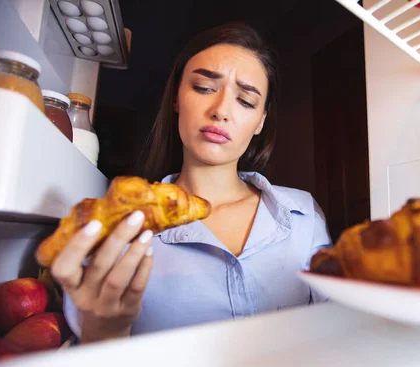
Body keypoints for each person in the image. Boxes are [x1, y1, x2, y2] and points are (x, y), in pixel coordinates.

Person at [50, 22, 332, 344]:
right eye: (203, 88)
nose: (221, 111)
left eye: (246, 101)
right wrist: (104, 333)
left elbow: (342, 332)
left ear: (260, 122)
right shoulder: (119, 229)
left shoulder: (303, 215)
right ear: (176, 98)